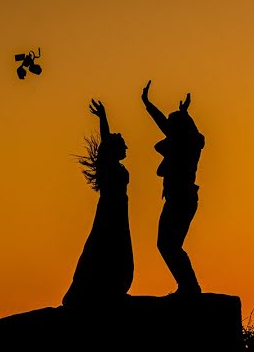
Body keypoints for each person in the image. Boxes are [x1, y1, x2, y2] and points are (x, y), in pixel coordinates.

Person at [62, 99, 134, 308]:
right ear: (114, 150)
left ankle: (114, 286)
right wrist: (103, 119)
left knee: (118, 248)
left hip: (120, 212)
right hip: (109, 212)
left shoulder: (114, 165)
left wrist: (103, 117)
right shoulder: (109, 167)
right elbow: (105, 141)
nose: (126, 147)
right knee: (102, 246)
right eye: (122, 145)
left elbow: (106, 143)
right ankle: (97, 288)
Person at [141, 79, 205, 295]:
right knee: (168, 245)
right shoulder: (184, 144)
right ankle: (188, 286)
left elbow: (172, 129)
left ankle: (190, 287)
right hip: (178, 199)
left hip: (182, 199)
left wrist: (185, 115)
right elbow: (167, 126)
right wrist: (148, 105)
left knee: (169, 245)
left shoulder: (188, 146)